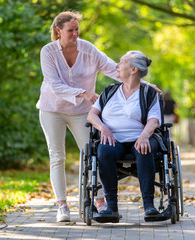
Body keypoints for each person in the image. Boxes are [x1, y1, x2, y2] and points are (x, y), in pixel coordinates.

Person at [36, 11, 161, 222]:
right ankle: (62, 206)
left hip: (82, 111)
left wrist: (146, 85)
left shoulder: (88, 49)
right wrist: (83, 93)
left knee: (94, 152)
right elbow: (55, 85)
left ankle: (102, 202)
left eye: (77, 29)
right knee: (57, 156)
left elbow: (117, 69)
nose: (75, 34)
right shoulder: (48, 52)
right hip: (52, 109)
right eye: (70, 30)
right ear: (58, 31)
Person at [87, 51, 163, 223]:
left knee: (145, 148)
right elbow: (92, 115)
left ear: (134, 69)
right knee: (104, 150)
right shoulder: (109, 91)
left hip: (141, 137)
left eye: (121, 62)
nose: (116, 66)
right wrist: (103, 128)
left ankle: (149, 206)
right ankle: (111, 207)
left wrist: (144, 135)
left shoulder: (148, 93)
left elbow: (154, 119)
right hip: (113, 138)